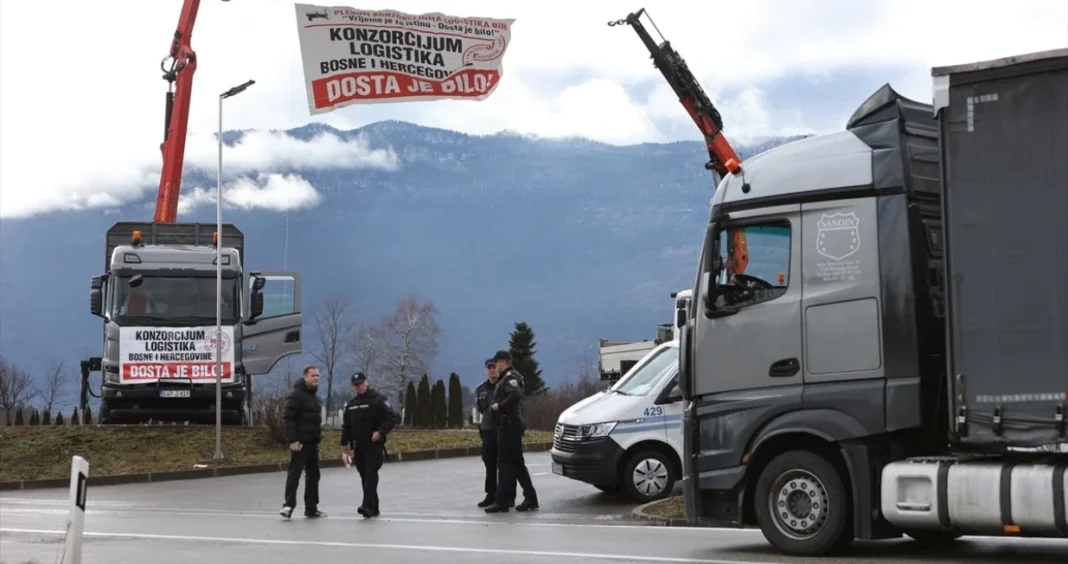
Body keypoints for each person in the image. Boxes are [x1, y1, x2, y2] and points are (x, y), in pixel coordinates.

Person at [484, 350, 539, 513]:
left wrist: (499, 406)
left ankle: (502, 500)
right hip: (509, 424)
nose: (495, 367)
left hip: (509, 424)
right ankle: (530, 498)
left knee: (505, 463)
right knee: (516, 463)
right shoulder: (507, 377)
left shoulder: (510, 377)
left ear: (503, 362)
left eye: (497, 363)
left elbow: (515, 394)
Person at [341, 372, 400, 518]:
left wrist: (380, 432)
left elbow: (391, 418)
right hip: (358, 445)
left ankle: (366, 505)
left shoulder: (378, 400)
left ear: (366, 382)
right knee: (364, 475)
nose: (358, 387)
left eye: (361, 383)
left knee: (370, 472)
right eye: (356, 385)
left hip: (373, 444)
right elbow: (346, 426)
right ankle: (374, 506)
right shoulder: (352, 404)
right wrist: (344, 444)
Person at [281, 365, 326, 519]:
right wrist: (293, 439)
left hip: (312, 443)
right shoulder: (296, 395)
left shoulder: (314, 397)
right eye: (313, 375)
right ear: (305, 376)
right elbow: (289, 418)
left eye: (318, 376)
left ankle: (311, 508)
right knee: (295, 474)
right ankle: (288, 505)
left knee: (314, 475)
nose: (316, 379)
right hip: (300, 443)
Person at [475, 358, 500, 508]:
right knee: (489, 463)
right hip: (487, 429)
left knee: (504, 465)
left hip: (501, 429)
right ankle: (490, 495)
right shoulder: (481, 389)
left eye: (494, 367)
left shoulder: (503, 386)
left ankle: (506, 496)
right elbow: (480, 407)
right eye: (489, 367)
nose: (492, 370)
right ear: (485, 370)